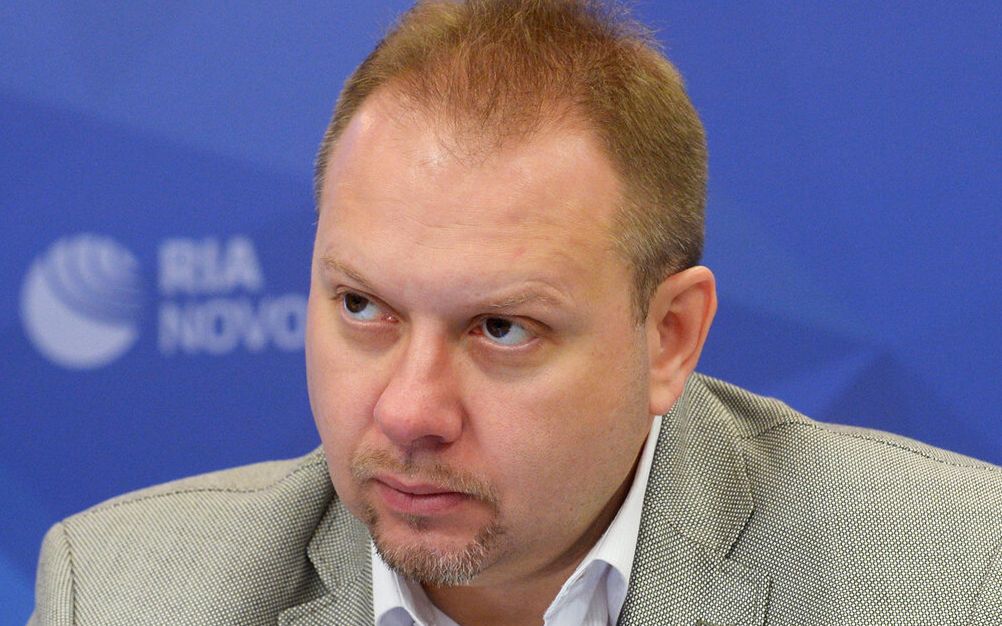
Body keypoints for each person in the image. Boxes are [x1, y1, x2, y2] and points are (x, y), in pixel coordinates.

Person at [29, 1, 1002, 624]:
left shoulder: (957, 577)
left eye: (502, 328)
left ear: (669, 337)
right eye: (363, 306)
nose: (409, 411)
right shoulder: (119, 592)